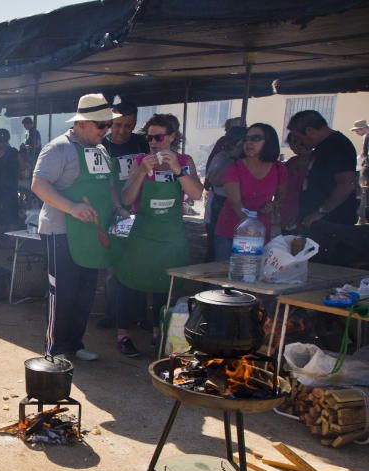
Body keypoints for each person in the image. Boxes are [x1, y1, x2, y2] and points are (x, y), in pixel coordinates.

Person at [31, 94, 126, 361]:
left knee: (85, 290)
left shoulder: (101, 150)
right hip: (60, 230)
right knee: (62, 291)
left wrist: (117, 207)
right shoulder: (57, 149)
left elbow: (107, 184)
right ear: (82, 123)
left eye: (108, 124)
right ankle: (55, 349)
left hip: (90, 232)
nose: (106, 130)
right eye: (101, 125)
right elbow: (39, 186)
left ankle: (75, 343)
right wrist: (72, 207)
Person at [117, 113, 204, 357]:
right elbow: (126, 199)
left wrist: (178, 169)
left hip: (171, 235)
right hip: (143, 233)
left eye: (159, 137)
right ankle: (123, 334)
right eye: (149, 137)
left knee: (164, 286)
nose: (154, 143)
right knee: (129, 282)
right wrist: (142, 171)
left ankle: (160, 333)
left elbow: (197, 194)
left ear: (173, 136)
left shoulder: (185, 161)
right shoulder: (140, 161)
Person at [98, 101, 150, 327]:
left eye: (128, 126)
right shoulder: (102, 146)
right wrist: (118, 207)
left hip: (140, 212)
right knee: (113, 267)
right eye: (117, 125)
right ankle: (112, 314)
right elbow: (104, 183)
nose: (121, 131)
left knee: (140, 263)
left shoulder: (141, 143)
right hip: (113, 212)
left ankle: (138, 314)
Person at [212, 123, 288, 260]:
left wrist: (274, 204)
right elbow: (235, 203)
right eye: (246, 139)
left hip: (260, 230)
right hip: (231, 228)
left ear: (269, 141)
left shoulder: (278, 168)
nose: (249, 142)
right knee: (221, 275)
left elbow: (282, 194)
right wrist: (252, 229)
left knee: (252, 273)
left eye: (256, 138)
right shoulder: (235, 167)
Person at [288, 110, 358, 229]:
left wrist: (321, 212)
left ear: (310, 131)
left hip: (332, 223)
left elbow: (346, 184)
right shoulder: (322, 147)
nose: (301, 142)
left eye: (299, 137)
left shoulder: (338, 145)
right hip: (314, 220)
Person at [203, 126, 247, 260]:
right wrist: (233, 157)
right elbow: (213, 181)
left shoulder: (249, 161)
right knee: (216, 248)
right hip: (220, 204)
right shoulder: (222, 158)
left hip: (241, 205)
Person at [0, 128, 19, 232]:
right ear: (8, 139)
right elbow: (23, 166)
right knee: (12, 216)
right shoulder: (14, 152)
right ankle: (11, 245)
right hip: (11, 188)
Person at [281, 132, 313, 232]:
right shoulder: (291, 162)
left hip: (307, 210)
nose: (299, 145)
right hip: (286, 209)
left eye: (302, 141)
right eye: (294, 142)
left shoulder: (318, 162)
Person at [351, 119, 368, 222]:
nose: (356, 133)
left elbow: (365, 154)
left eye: (357, 130)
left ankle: (362, 219)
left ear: (363, 129)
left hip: (367, 168)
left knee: (364, 192)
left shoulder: (367, 136)